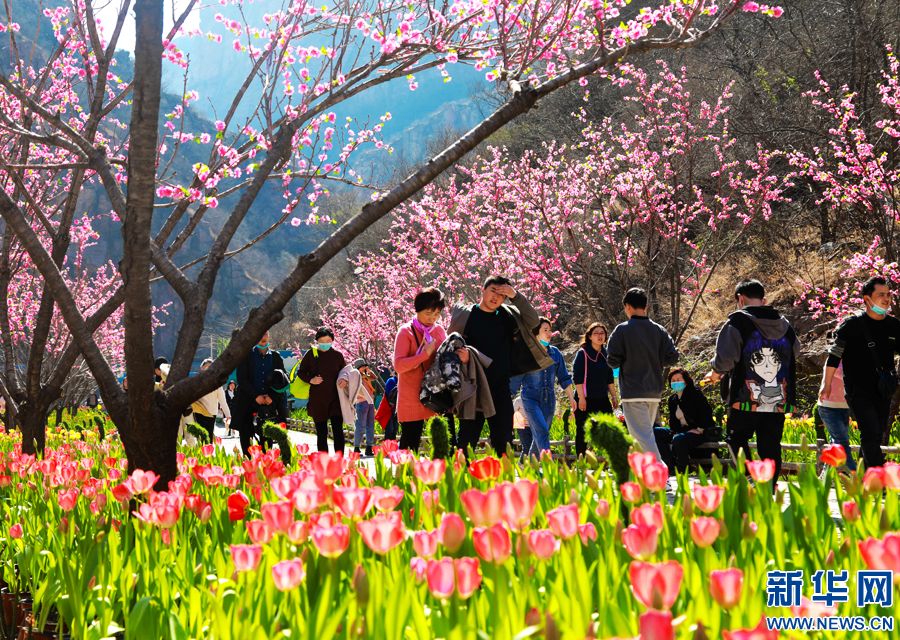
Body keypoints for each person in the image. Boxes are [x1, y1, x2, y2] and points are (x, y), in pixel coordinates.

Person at [705, 279, 800, 483]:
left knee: (736, 439)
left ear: (740, 299)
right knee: (771, 444)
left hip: (743, 397)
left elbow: (725, 360)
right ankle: (770, 487)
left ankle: (748, 477)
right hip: (778, 400)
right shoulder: (785, 325)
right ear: (764, 300)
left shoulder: (737, 323)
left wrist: (715, 372)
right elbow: (796, 351)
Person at [449, 276, 552, 456]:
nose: (496, 297)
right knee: (466, 440)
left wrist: (515, 296)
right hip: (473, 386)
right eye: (493, 291)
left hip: (501, 387)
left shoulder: (507, 315)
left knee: (504, 441)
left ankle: (502, 482)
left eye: (502, 294)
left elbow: (534, 321)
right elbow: (450, 346)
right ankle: (461, 480)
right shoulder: (467, 315)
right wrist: (462, 358)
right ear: (483, 290)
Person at [822, 276, 900, 470]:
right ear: (867, 299)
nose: (886, 298)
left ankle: (863, 477)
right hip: (858, 390)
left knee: (875, 432)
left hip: (884, 389)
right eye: (880, 294)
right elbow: (834, 356)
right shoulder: (851, 326)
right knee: (870, 430)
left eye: (888, 294)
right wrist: (827, 383)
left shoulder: (894, 326)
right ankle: (878, 477)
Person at [606, 288, 679, 462]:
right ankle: (641, 475)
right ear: (646, 306)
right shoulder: (659, 330)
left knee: (642, 436)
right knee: (645, 434)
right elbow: (673, 357)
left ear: (628, 307)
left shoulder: (622, 330)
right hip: (654, 391)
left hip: (633, 391)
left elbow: (612, 361)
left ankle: (659, 474)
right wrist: (655, 358)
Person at [509, 317, 576, 458]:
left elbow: (564, 377)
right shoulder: (527, 354)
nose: (549, 333)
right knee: (542, 431)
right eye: (545, 330)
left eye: (550, 330)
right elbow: (515, 380)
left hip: (550, 400)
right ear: (535, 333)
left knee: (541, 434)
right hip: (530, 399)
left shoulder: (555, 353)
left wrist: (572, 398)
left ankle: (526, 463)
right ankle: (548, 466)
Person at [393, 288, 450, 452]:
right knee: (409, 445)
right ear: (417, 310)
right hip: (412, 397)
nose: (432, 318)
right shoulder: (406, 332)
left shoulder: (438, 331)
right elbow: (399, 366)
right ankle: (404, 477)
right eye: (428, 313)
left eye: (437, 314)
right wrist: (425, 355)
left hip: (436, 394)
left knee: (443, 442)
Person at [233, 331, 287, 456]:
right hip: (248, 402)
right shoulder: (246, 356)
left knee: (267, 440)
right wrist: (255, 396)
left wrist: (271, 396)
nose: (262, 337)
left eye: (265, 333)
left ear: (269, 335)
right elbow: (242, 379)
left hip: (269, 404)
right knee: (246, 438)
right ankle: (249, 467)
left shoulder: (275, 356)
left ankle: (266, 467)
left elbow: (282, 379)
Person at [297, 327, 347, 455]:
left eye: (328, 340)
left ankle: (339, 460)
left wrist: (344, 380)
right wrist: (311, 380)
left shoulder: (337, 356)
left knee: (338, 431)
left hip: (335, 399)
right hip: (318, 400)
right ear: (317, 341)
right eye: (322, 341)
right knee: (321, 432)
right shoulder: (311, 355)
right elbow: (301, 372)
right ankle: (323, 461)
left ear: (332, 341)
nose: (325, 343)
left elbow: (346, 372)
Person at [572, 322, 619, 456]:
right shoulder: (583, 353)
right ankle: (580, 462)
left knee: (609, 428)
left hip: (602, 399)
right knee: (582, 431)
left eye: (602, 333)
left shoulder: (606, 353)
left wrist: (614, 397)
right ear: (590, 336)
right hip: (585, 399)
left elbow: (609, 378)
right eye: (596, 333)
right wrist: (581, 398)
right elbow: (578, 378)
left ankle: (612, 460)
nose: (600, 336)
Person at [661, 368, 715, 473]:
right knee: (656, 433)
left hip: (699, 431)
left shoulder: (695, 394)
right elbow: (673, 423)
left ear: (685, 381)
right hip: (682, 432)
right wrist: (676, 431)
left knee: (679, 439)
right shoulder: (672, 399)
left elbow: (706, 413)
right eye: (673, 380)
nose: (676, 382)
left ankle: (683, 471)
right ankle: (670, 467)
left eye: (678, 379)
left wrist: (699, 429)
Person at [816, 361, 856, 472]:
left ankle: (825, 476)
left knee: (836, 444)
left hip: (844, 407)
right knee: (842, 442)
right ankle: (856, 476)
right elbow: (845, 375)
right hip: (828, 407)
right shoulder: (834, 359)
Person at [191, 358, 232, 443]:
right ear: (201, 369)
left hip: (210, 414)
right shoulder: (197, 382)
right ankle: (201, 454)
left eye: (211, 368)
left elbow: (223, 401)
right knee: (200, 437)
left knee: (208, 437)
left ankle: (207, 454)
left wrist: (228, 415)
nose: (208, 370)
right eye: (206, 367)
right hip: (198, 413)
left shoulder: (217, 384)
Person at [347, 358, 376, 456]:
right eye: (363, 366)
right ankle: (356, 448)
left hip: (370, 402)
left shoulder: (366, 375)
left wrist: (368, 370)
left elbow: (374, 377)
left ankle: (369, 448)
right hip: (361, 403)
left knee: (370, 426)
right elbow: (352, 390)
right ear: (359, 367)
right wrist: (362, 397)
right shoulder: (355, 377)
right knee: (360, 426)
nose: (365, 367)